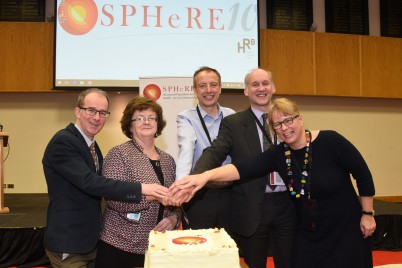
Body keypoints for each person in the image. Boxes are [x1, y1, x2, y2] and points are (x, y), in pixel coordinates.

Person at [172, 97, 376, 268]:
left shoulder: (330, 141)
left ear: (300, 119)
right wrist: (204, 176)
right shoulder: (280, 154)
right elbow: (241, 169)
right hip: (308, 231)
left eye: (289, 120)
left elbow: (363, 175)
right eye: (278, 124)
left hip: (344, 228)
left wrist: (367, 214)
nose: (285, 128)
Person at [176, 68, 296, 268]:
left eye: (265, 83)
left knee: (290, 262)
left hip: (287, 205)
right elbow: (213, 152)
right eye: (254, 84)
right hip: (252, 207)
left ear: (273, 87)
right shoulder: (234, 122)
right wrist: (194, 179)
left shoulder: (288, 119)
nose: (261, 88)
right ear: (246, 91)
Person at [42, 88, 168, 268]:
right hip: (69, 242)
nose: (96, 117)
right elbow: (90, 182)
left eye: (102, 112)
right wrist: (142, 189)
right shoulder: (63, 141)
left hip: (90, 242)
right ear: (78, 111)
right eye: (91, 110)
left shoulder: (92, 145)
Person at [95, 96, 180, 267]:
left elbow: (176, 202)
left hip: (157, 247)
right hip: (120, 245)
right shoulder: (119, 154)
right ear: (130, 125)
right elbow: (113, 199)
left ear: (158, 124)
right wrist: (152, 196)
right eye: (139, 118)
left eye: (151, 118)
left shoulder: (168, 160)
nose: (146, 122)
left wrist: (174, 220)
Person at [176, 66, 235, 229]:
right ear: (195, 90)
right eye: (202, 86)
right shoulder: (186, 117)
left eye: (213, 84)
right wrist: (182, 187)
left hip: (230, 194)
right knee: (197, 247)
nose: (208, 90)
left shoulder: (232, 116)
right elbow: (186, 150)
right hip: (200, 195)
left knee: (227, 248)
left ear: (220, 87)